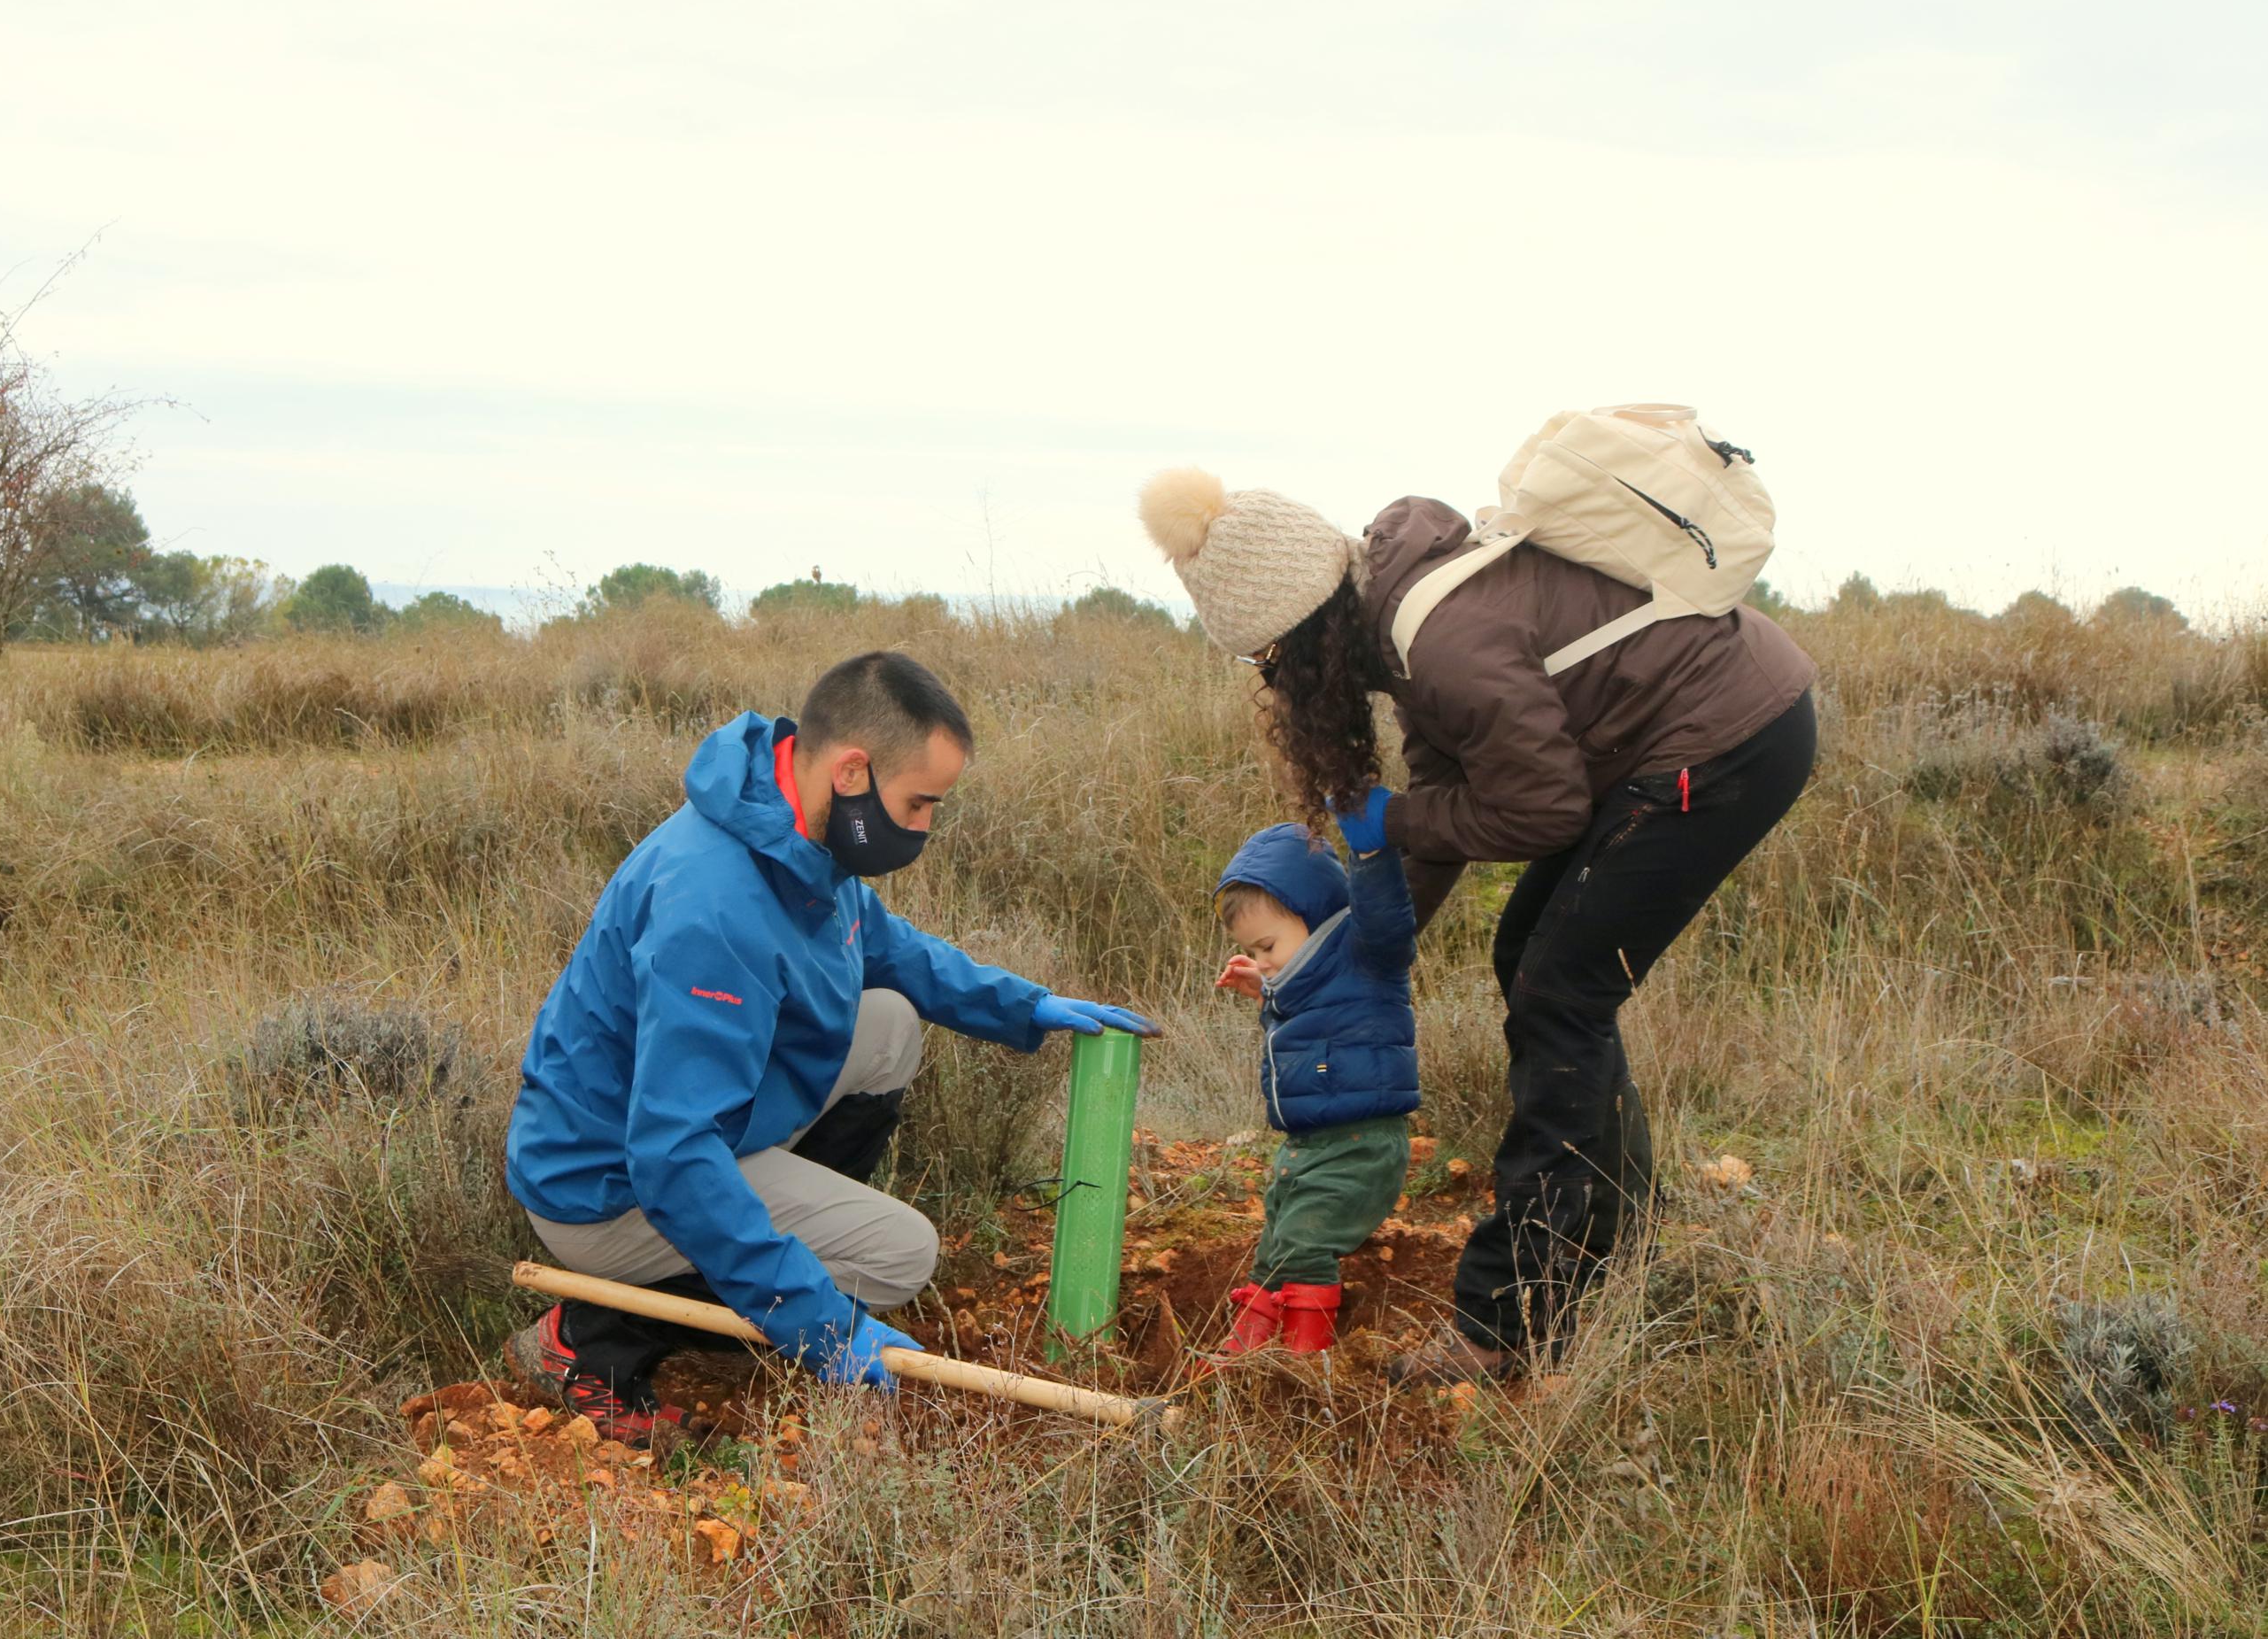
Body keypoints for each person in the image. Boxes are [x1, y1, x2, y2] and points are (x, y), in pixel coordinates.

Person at [1140, 467, 1816, 1382]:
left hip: (1725, 737)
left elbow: (1540, 809)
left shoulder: (1442, 641)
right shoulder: (1398, 622)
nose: (1275, 681)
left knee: (1558, 992)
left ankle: (1507, 1318)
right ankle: (1620, 1233)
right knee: (1532, 963)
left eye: (1268, 658)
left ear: (1303, 630)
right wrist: (1350, 951)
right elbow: (1452, 796)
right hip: (1692, 727)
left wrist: (1399, 820)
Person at [503, 651, 1153, 1441]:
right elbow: (671, 1158)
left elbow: (886, 947)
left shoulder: (793, 829)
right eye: (919, 804)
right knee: (899, 1259)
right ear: (852, 772)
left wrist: (1024, 1006)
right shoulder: (714, 909)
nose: (923, 828)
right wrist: (821, 1323)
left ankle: (774, 1254)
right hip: (609, 1183)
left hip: (686, 1116)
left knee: (887, 1023)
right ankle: (588, 1339)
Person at [1210, 820, 1420, 1353]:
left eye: (1267, 946)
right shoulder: (1297, 988)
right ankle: (1251, 1350)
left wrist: (1371, 851)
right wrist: (1266, 995)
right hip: (1304, 1149)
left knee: (1305, 1246)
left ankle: (1304, 1359)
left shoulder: (1365, 955)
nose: (1261, 960)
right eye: (1252, 951)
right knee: (1275, 1250)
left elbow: (1387, 916)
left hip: (1360, 1144)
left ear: (1317, 917)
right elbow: (1315, 1034)